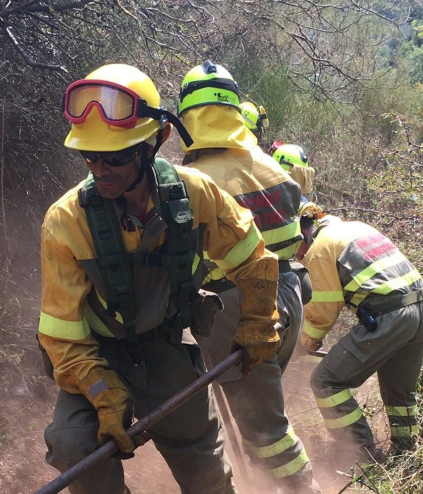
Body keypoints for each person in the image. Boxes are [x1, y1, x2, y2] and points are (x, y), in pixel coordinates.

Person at [38, 63, 283, 494]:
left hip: (164, 347)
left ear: (156, 140)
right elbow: (61, 335)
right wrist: (102, 390)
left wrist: (258, 321)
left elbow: (253, 259)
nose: (100, 168)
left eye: (115, 156)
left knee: (202, 463)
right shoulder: (65, 222)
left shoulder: (194, 194)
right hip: (96, 355)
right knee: (74, 445)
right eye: (89, 156)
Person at [178, 60, 320, 494]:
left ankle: (303, 489)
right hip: (290, 294)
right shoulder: (274, 167)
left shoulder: (195, 181)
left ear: (187, 116)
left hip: (236, 311)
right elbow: (296, 238)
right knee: (262, 411)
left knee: (264, 429)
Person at [296, 202, 423, 465]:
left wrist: (302, 344)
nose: (297, 255)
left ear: (304, 231)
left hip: (390, 316)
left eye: (295, 245)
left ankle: (361, 457)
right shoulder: (356, 228)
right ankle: (407, 457)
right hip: (421, 309)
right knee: (399, 393)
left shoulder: (320, 248)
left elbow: (322, 311)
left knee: (325, 382)